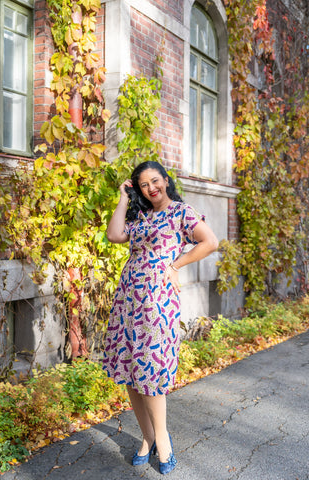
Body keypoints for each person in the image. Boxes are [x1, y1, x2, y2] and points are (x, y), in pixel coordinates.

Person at [103, 161, 218, 474]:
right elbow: (114, 235)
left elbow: (210, 242)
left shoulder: (181, 211)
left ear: (166, 181)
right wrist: (124, 196)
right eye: (144, 185)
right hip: (129, 299)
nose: (151, 188)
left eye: (155, 181)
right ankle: (147, 437)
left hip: (158, 300)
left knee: (151, 370)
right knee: (130, 370)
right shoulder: (140, 216)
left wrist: (175, 266)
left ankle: (163, 439)